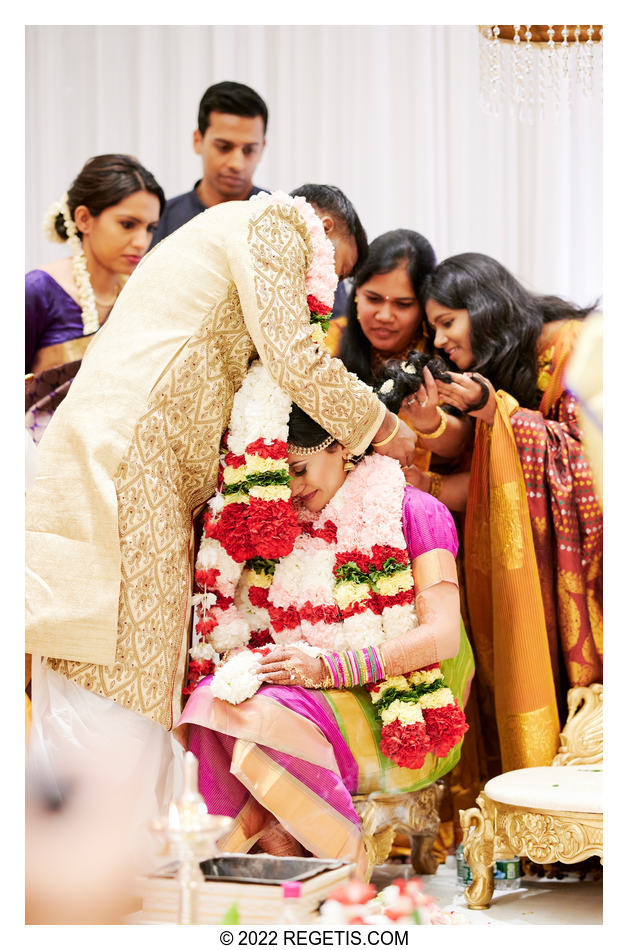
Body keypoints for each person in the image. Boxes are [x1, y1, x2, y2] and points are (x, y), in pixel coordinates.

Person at [26, 186, 417, 855]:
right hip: (127, 457)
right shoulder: (275, 224)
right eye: (340, 269)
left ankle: (106, 859)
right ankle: (94, 857)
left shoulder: (228, 230)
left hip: (133, 461)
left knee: (127, 655)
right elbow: (294, 354)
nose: (333, 291)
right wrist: (382, 424)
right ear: (323, 227)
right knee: (120, 658)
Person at [176, 390, 474, 878]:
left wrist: (330, 668)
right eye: (280, 477)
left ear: (343, 445)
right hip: (299, 692)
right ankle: (251, 866)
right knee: (214, 700)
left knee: (257, 714)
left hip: (390, 702)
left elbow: (444, 636)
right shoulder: (279, 529)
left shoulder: (415, 512)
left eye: (299, 469)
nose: (291, 489)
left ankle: (324, 867)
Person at [394, 251, 602, 778]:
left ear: (484, 306)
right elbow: (490, 479)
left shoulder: (568, 344)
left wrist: (498, 413)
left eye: (446, 322)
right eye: (433, 329)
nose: (439, 341)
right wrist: (431, 470)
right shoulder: (488, 375)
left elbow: (594, 459)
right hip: (538, 573)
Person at [26, 154, 165, 442]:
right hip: (39, 468)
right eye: (128, 224)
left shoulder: (141, 297)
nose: (141, 241)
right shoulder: (38, 291)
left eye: (150, 228)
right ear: (84, 219)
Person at [327, 228, 472, 489]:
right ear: (356, 294)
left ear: (424, 306)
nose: (384, 315)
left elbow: (462, 445)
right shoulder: (327, 341)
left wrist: (430, 420)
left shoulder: (444, 350)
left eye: (403, 304)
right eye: (373, 298)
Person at [150, 80, 268, 246]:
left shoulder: (282, 221)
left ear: (262, 147)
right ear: (198, 141)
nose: (237, 164)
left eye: (249, 150)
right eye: (223, 147)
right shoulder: (159, 223)